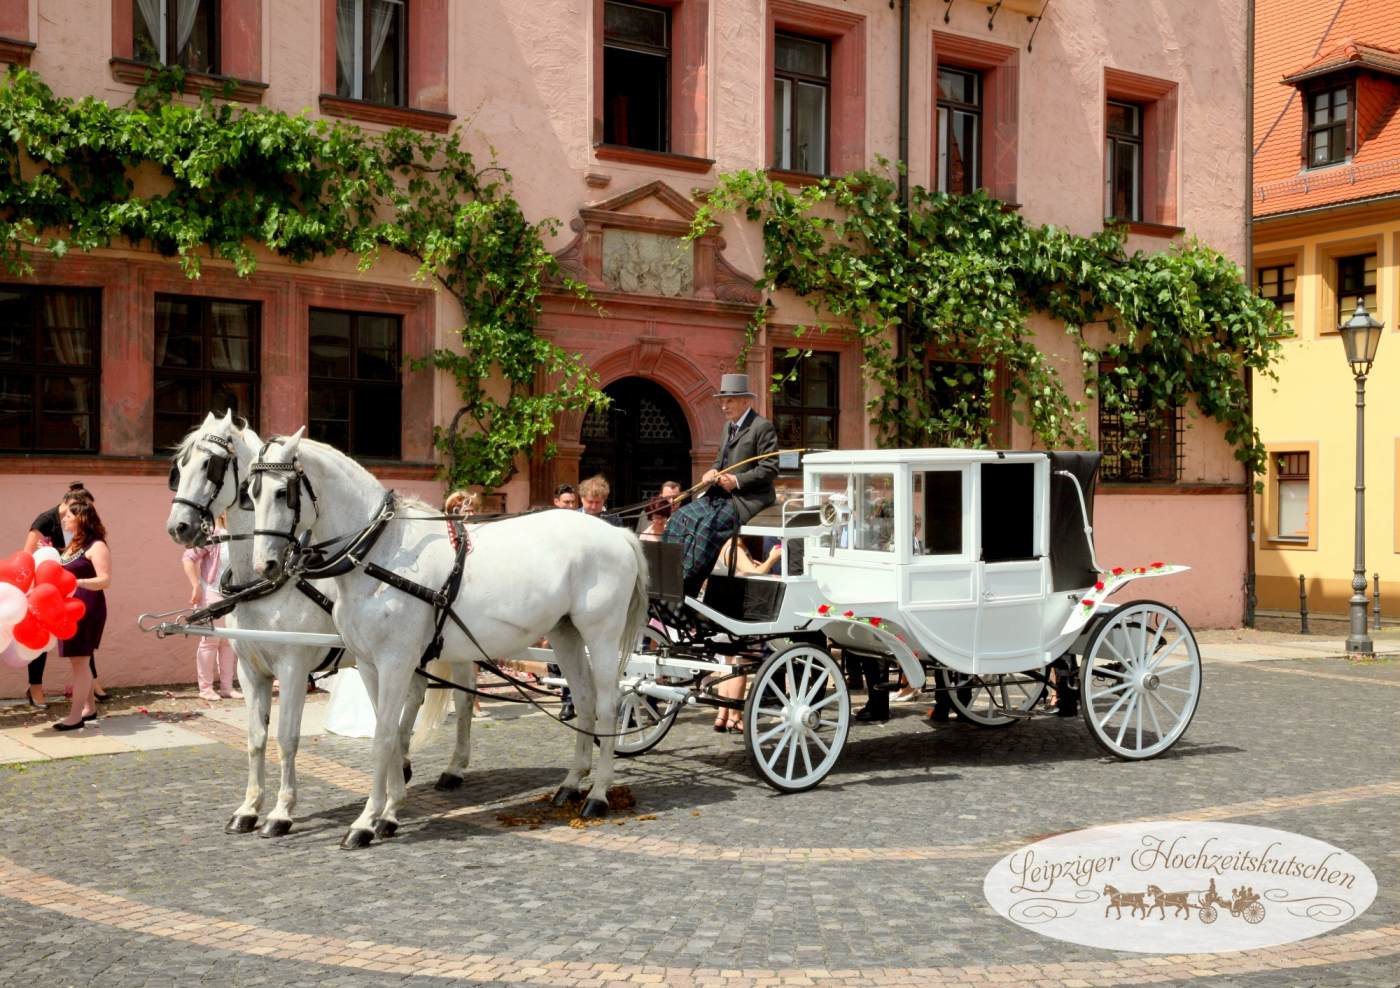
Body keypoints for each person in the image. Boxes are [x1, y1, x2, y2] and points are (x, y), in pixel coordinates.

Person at [664, 373, 779, 596]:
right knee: (679, 517)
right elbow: (720, 459)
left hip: (747, 498)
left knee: (708, 527)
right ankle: (669, 574)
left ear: (745, 401)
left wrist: (737, 481)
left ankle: (689, 585)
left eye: (729, 401)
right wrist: (712, 471)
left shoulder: (761, 427)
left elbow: (770, 468)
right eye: (722, 401)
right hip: (719, 493)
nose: (724, 406)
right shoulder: (728, 427)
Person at [22, 483, 93, 709]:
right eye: (79, 508)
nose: (82, 514)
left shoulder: (77, 523)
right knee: (40, 637)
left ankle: (93, 682)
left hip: (66, 585)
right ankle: (35, 687)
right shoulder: (45, 520)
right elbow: (27, 553)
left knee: (79, 630)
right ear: (66, 503)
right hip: (41, 585)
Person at [52, 500, 110, 731]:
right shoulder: (71, 546)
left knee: (81, 661)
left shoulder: (96, 546)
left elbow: (105, 579)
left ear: (81, 518)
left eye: (69, 516)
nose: (64, 519)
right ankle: (89, 708)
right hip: (68, 608)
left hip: (87, 607)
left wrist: (77, 582)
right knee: (78, 661)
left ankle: (75, 716)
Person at [181, 513, 241, 702]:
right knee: (210, 641)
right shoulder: (212, 535)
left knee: (229, 642)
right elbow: (188, 558)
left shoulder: (241, 535)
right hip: (212, 592)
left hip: (233, 596)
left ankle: (227, 687)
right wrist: (196, 586)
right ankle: (205, 688)